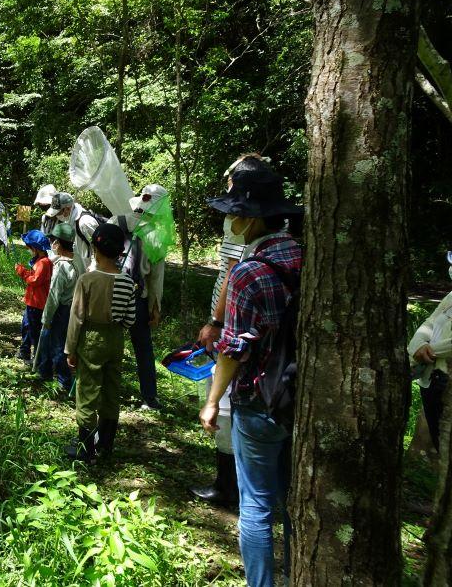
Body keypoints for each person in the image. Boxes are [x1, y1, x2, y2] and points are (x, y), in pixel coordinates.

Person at [199, 168, 303, 587]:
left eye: (233, 214)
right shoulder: (302, 256)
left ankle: (261, 583)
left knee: (257, 504)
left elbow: (234, 349)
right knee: (295, 499)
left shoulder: (248, 273)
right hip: (298, 394)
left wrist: (212, 399)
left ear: (249, 219)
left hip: (257, 399)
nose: (230, 221)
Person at [192, 154, 272, 505]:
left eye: (231, 179)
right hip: (253, 329)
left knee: (223, 400)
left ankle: (227, 486)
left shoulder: (242, 225)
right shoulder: (275, 231)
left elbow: (230, 273)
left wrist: (216, 321)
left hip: (233, 323)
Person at [64, 222, 137, 462]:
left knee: (87, 391)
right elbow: (130, 319)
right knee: (111, 390)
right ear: (119, 252)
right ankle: (106, 445)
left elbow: (76, 318)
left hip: (91, 338)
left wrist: (70, 349)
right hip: (116, 340)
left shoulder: (87, 280)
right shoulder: (127, 282)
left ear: (95, 249)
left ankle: (86, 449)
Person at [109, 185, 168, 410]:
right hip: (137, 296)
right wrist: (155, 306)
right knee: (143, 347)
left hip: (112, 291)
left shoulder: (117, 221)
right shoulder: (156, 235)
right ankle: (149, 398)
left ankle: (105, 388)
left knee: (108, 340)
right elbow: (156, 278)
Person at [409, 250, 452, 451]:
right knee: (440, 444)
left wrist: (429, 349)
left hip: (446, 382)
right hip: (431, 382)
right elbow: (430, 322)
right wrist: (417, 345)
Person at [39, 222, 78, 389]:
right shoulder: (74, 262)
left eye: (53, 241)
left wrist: (46, 318)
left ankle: (64, 381)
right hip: (69, 309)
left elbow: (54, 296)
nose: (52, 244)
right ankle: (47, 372)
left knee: (57, 345)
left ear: (58, 244)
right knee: (56, 343)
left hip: (61, 310)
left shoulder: (62, 267)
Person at [14, 229, 52, 366]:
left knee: (34, 330)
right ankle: (24, 350)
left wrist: (22, 272)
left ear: (35, 248)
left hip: (37, 304)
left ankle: (37, 358)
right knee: (26, 326)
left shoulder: (44, 263)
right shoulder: (39, 261)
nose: (28, 250)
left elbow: (35, 280)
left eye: (29, 248)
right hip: (32, 302)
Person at [45, 192, 102, 275]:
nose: (57, 216)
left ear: (68, 208)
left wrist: (94, 266)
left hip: (90, 272)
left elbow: (100, 247)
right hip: (78, 269)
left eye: (58, 213)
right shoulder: (69, 219)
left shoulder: (85, 222)